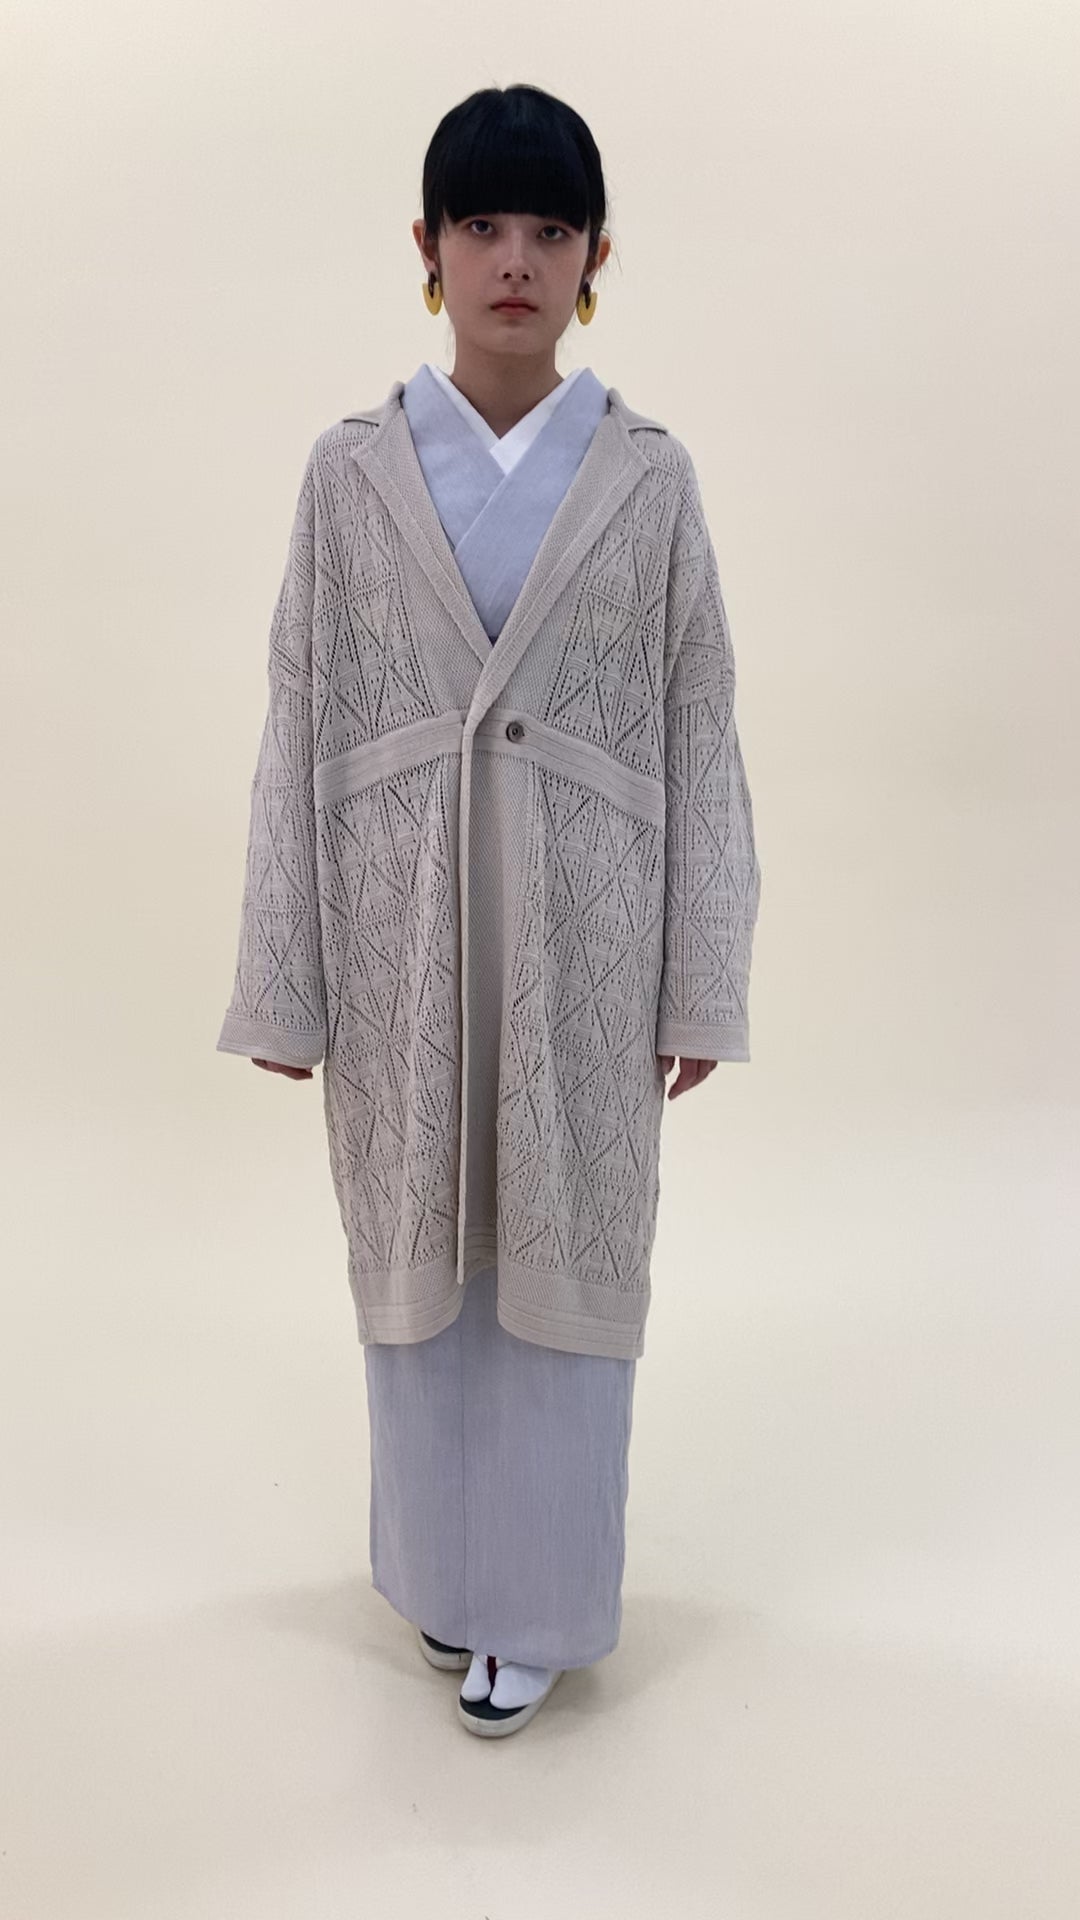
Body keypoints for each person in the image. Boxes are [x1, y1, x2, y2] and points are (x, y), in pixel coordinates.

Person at [216, 82, 762, 1739]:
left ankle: (539, 1607)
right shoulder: (349, 475)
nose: (514, 258)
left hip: (585, 949)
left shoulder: (650, 482)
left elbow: (700, 726)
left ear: (596, 258)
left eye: (549, 228)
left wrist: (699, 980)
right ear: (429, 247)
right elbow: (301, 712)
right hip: (403, 938)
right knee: (420, 1256)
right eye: (481, 224)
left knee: (560, 1257)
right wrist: (287, 978)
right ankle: (443, 1584)